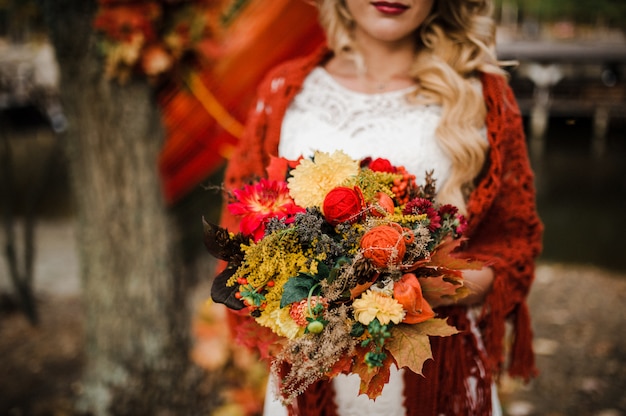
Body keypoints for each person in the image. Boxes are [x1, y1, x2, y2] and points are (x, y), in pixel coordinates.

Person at [219, 0, 543, 415]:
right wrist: (303, 284)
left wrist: (405, 287)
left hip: (437, 371)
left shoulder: (479, 94)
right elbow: (243, 228)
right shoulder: (284, 91)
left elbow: (511, 251)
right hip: (308, 374)